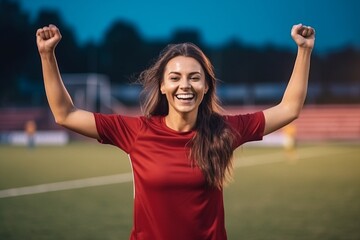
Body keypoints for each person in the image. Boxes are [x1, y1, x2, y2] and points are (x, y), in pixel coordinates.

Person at [36, 23, 315, 240]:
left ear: (206, 87)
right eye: (175, 78)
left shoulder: (223, 130)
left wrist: (304, 51)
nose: (185, 85)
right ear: (162, 86)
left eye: (195, 78)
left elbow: (289, 109)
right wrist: (47, 55)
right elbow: (66, 114)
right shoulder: (135, 131)